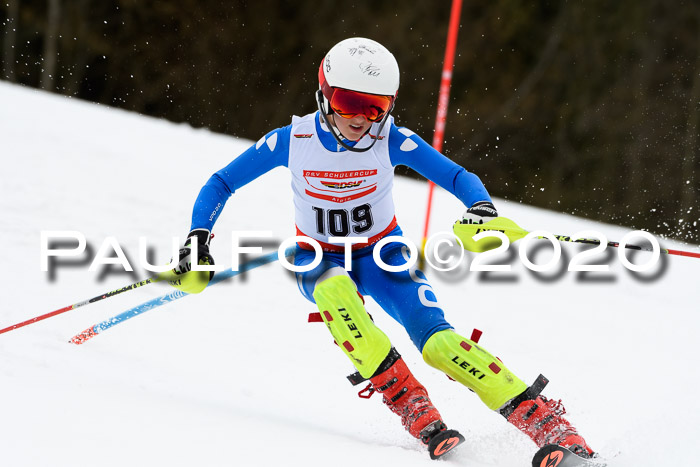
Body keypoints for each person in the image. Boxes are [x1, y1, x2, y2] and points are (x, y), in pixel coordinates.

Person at [174, 37, 596, 460]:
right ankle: (410, 403)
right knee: (335, 293)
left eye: (375, 106)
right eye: (347, 102)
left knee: (439, 345)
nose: (360, 118)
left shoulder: (390, 139)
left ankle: (548, 423)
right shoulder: (292, 139)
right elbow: (221, 183)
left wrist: (481, 208)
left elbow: (456, 176)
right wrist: (197, 238)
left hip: (383, 254)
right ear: (324, 94)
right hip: (316, 254)